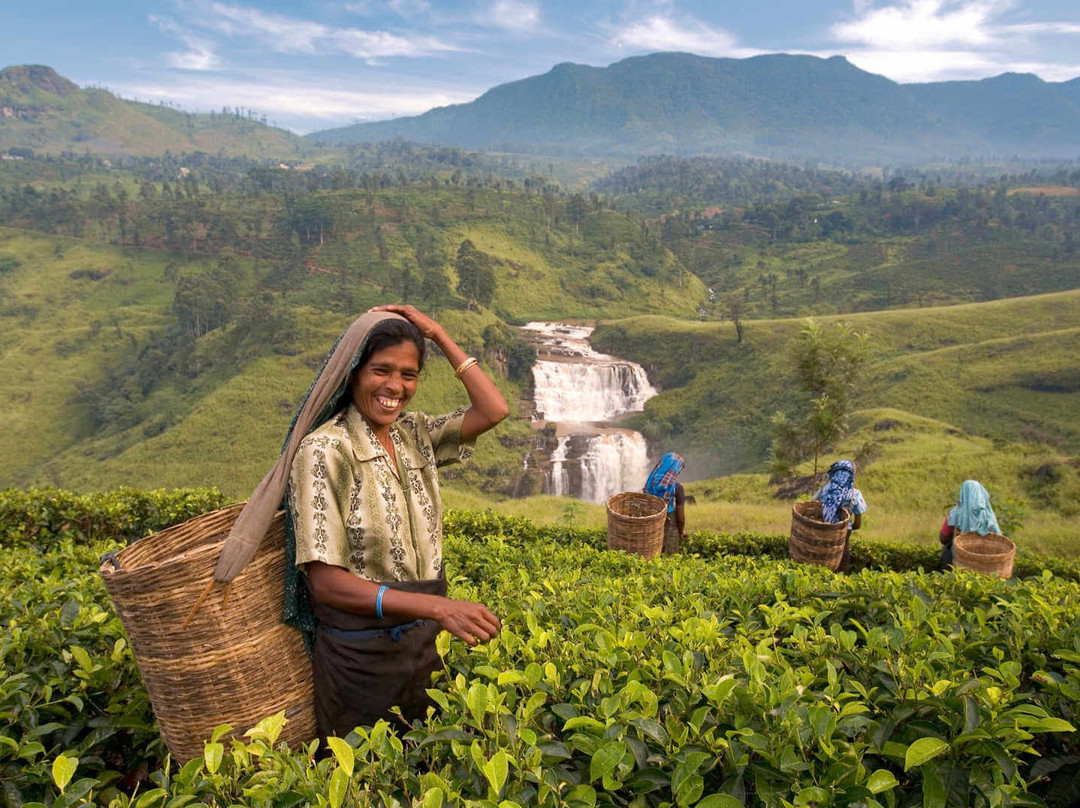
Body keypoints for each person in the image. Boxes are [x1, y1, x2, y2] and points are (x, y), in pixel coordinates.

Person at [279, 304, 508, 738]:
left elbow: (494, 410)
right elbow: (325, 584)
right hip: (362, 662)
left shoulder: (414, 435)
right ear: (352, 373)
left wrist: (438, 335)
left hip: (423, 650)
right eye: (381, 370)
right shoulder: (325, 450)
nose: (395, 387)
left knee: (427, 771)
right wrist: (439, 607)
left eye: (409, 374)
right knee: (365, 779)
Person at [813, 459, 868, 572]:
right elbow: (857, 524)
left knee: (821, 566)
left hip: (822, 531)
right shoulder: (855, 494)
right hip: (843, 534)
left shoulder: (824, 490)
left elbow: (814, 508)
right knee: (841, 566)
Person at [939, 480, 1001, 570]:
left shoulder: (955, 513)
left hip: (957, 559)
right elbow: (998, 537)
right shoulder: (989, 515)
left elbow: (943, 538)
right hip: (984, 561)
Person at [644, 452, 686, 554]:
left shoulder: (649, 485)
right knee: (669, 559)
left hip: (650, 531)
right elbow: (680, 519)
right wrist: (681, 531)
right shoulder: (677, 488)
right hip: (669, 528)